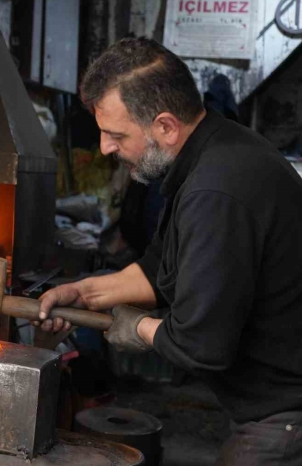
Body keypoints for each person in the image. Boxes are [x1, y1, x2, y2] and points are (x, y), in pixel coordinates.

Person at [37, 37, 302, 465]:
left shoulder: (216, 190)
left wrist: (136, 328)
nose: (105, 147)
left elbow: (202, 345)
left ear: (165, 126)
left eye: (116, 134)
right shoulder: (213, 153)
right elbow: (161, 266)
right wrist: (83, 294)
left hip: (287, 415)